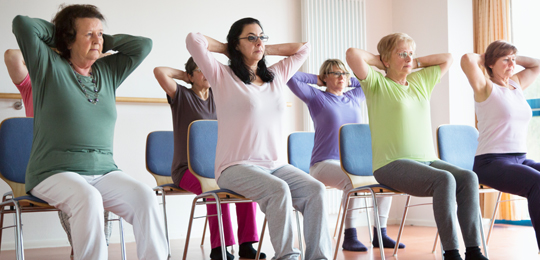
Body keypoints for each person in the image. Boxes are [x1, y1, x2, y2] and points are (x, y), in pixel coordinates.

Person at [12, 4, 167, 260]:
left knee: (145, 198)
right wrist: (62, 34)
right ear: (68, 39)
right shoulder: (47, 65)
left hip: (105, 171)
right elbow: (22, 24)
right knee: (89, 197)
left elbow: (144, 45)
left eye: (101, 34)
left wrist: (98, 39)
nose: (98, 40)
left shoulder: (108, 71)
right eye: (89, 34)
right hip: (53, 171)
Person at [186, 17, 332, 260]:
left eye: (262, 37)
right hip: (234, 167)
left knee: (315, 190)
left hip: (275, 165)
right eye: (251, 37)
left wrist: (263, 48)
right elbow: (194, 40)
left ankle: (319, 257)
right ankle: (287, 256)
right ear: (236, 43)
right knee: (278, 190)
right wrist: (229, 47)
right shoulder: (222, 75)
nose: (258, 42)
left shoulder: (276, 75)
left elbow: (304, 48)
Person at [346, 33, 488, 260]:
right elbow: (352, 54)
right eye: (401, 54)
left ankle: (473, 250)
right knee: (444, 179)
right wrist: (379, 60)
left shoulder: (421, 80)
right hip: (390, 164)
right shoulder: (376, 83)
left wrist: (414, 61)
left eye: (410, 53)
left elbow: (448, 58)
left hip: (428, 160)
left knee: (469, 177)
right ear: (386, 59)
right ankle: (451, 253)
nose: (408, 58)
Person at [4, 48, 113, 259]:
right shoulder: (33, 83)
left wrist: (87, 55)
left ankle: (94, 251)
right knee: (77, 190)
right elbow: (12, 56)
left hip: (82, 161)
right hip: (47, 165)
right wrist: (55, 51)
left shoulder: (83, 84)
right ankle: (86, 252)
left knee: (99, 190)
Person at [286, 59, 405, 252]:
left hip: (353, 163)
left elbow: (372, 79)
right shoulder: (317, 98)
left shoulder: (355, 97)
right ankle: (350, 237)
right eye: (336, 73)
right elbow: (290, 77)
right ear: (325, 77)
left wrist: (349, 79)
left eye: (345, 73)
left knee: (387, 178)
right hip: (323, 164)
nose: (342, 77)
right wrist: (318, 80)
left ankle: (380, 235)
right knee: (352, 182)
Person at [154, 57, 265, 260]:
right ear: (190, 75)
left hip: (219, 167)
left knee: (244, 185)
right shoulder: (181, 96)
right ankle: (219, 248)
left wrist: (207, 72)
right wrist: (186, 76)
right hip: (186, 170)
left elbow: (239, 78)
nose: (206, 73)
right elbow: (160, 71)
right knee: (212, 190)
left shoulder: (219, 96)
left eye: (208, 70)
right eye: (200, 70)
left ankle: (246, 244)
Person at [461, 40, 540, 250]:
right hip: (490, 162)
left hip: (520, 158)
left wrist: (512, 57)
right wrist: (489, 56)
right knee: (537, 183)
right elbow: (467, 59)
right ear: (490, 64)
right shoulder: (485, 87)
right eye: (505, 60)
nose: (511, 64)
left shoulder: (516, 84)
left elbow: (537, 65)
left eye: (513, 60)